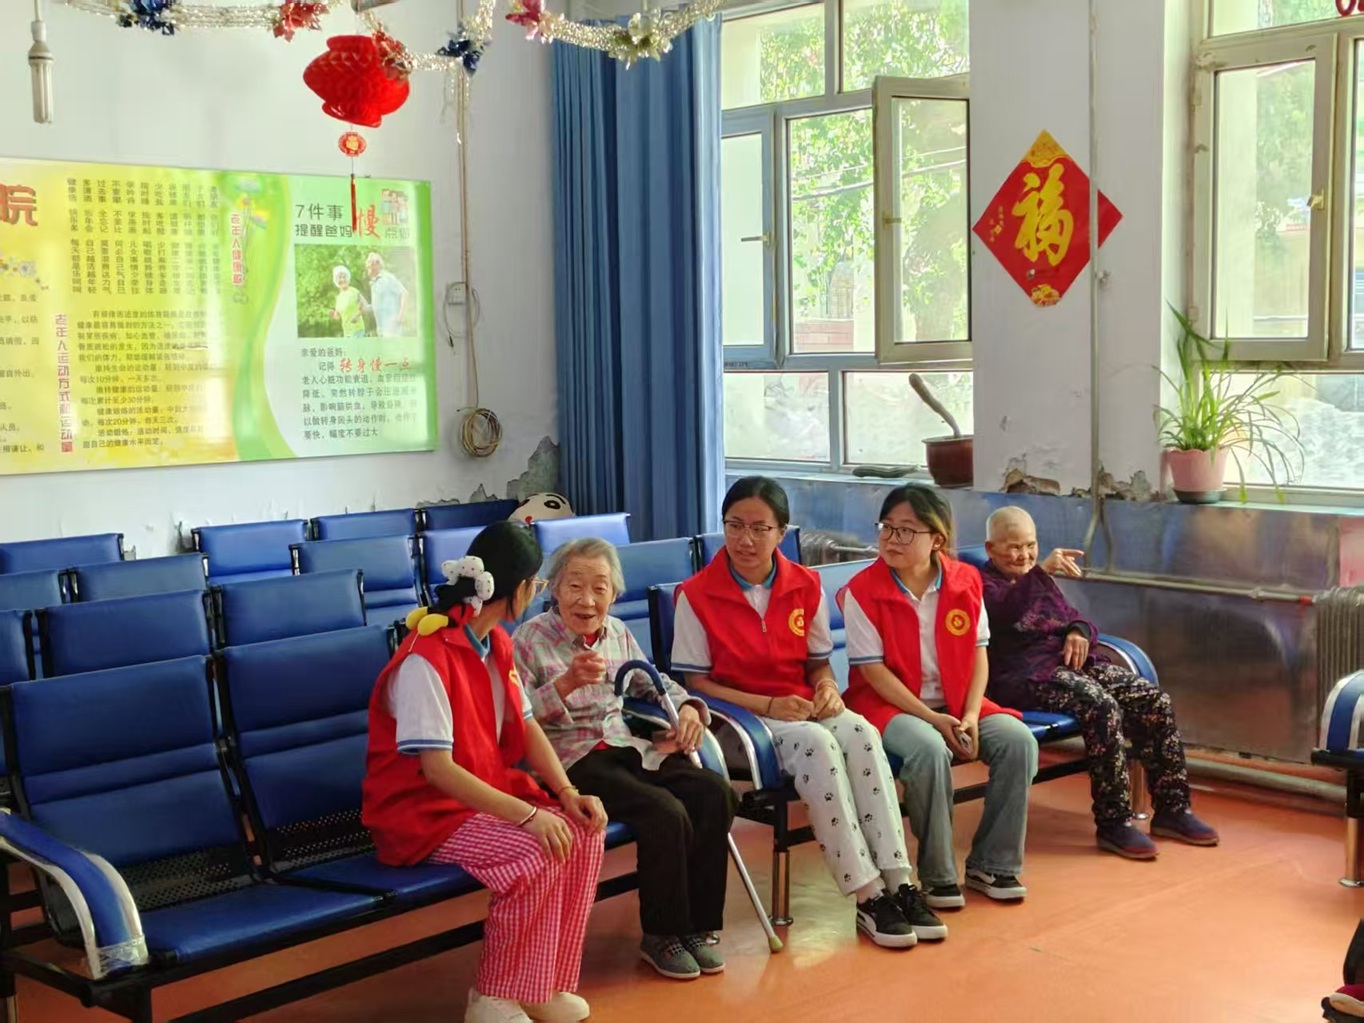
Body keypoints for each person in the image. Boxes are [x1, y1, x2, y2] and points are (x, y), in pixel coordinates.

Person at [671, 476, 946, 949]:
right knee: (818, 743)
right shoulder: (694, 594)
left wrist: (827, 688)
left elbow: (818, 662)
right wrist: (768, 706)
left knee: (860, 731)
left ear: (782, 532)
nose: (745, 539)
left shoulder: (806, 583)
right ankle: (867, 895)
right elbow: (696, 683)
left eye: (760, 528)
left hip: (798, 706)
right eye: (734, 525)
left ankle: (899, 881)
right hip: (740, 720)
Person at [363, 521, 608, 1023]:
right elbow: (437, 771)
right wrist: (528, 816)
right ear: (519, 589)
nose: (536, 593)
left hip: (477, 796)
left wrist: (565, 792)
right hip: (421, 814)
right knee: (534, 850)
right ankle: (493, 997)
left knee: (583, 831)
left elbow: (526, 723)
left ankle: (539, 984)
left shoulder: (496, 642)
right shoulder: (425, 658)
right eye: (537, 583)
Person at [514, 537, 739, 981]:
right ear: (554, 589)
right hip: (569, 760)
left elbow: (652, 683)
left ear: (614, 594)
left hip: (625, 747)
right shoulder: (529, 640)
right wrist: (564, 685)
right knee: (664, 811)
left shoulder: (617, 632)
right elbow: (513, 721)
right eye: (575, 586)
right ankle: (662, 934)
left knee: (715, 792)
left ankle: (697, 927)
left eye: (599, 588)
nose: (587, 600)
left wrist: (688, 708)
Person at [980, 505, 1218, 859]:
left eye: (1030, 545)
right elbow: (1005, 611)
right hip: (1023, 676)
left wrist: (1078, 632)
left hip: (1070, 665)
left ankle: (1172, 808)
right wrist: (1041, 572)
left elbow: (1076, 618)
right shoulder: (981, 585)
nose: (1025, 555)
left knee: (1152, 699)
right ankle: (1114, 822)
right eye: (1014, 547)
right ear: (990, 548)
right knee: (1101, 706)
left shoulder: (1037, 578)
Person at [840, 485, 1038, 908]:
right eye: (886, 527)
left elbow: (980, 653)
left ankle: (993, 865)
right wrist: (933, 720)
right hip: (887, 705)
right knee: (928, 749)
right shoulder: (862, 589)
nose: (892, 539)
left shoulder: (965, 580)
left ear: (937, 539)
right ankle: (938, 875)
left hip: (957, 700)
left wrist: (971, 713)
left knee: (1018, 741)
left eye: (906, 530)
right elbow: (873, 674)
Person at [365, 251, 408, 337]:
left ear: (377, 264)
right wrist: (364, 308)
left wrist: (400, 316)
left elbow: (404, 293)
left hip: (392, 326)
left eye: (370, 264)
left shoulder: (387, 278)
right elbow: (376, 305)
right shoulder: (374, 283)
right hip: (381, 328)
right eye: (367, 265)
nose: (367, 266)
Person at [330, 265, 369, 338]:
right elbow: (338, 316)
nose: (342, 279)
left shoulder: (354, 291)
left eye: (344, 277)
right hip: (347, 332)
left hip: (357, 330)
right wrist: (334, 315)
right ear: (336, 281)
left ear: (347, 279)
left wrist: (357, 316)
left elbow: (365, 305)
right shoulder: (339, 297)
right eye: (339, 277)